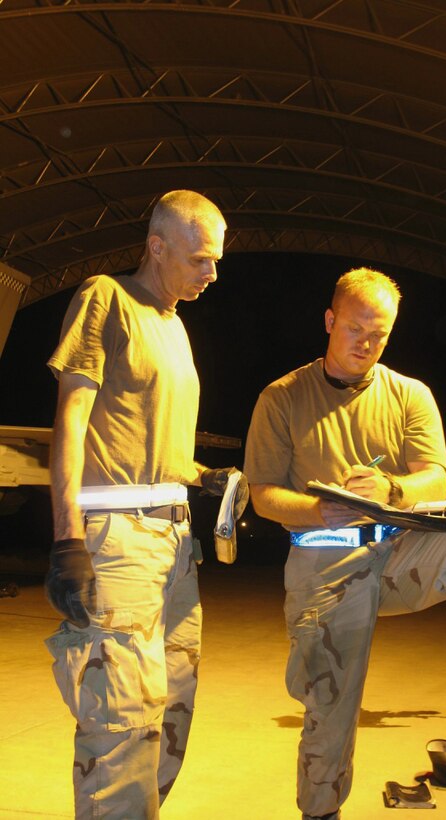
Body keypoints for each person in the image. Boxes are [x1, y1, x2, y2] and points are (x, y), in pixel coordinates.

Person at [244, 268, 446, 820]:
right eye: (355, 329)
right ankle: (320, 811)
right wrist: (320, 507)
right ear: (329, 321)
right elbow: (263, 495)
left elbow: (434, 479)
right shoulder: (282, 397)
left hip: (399, 554)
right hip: (323, 559)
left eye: (380, 334)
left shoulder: (410, 394)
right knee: (331, 708)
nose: (366, 343)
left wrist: (391, 489)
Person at [44, 189, 248, 819]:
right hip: (117, 538)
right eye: (199, 260)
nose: (212, 273)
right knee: (121, 724)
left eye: (216, 261)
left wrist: (204, 476)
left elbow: (157, 446)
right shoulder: (105, 297)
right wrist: (66, 540)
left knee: (169, 719)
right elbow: (72, 421)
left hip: (176, 544)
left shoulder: (176, 326)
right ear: (157, 247)